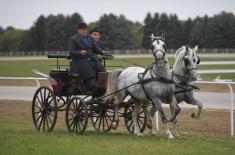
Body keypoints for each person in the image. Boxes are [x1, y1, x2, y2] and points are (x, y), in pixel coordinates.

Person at [68, 23, 106, 95]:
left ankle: (103, 86)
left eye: (85, 30)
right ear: (78, 30)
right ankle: (93, 87)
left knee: (102, 69)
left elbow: (96, 48)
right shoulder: (73, 39)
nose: (85, 31)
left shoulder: (90, 38)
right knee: (89, 72)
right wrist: (80, 52)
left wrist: (103, 52)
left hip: (92, 60)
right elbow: (71, 52)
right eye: (83, 30)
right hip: (79, 62)